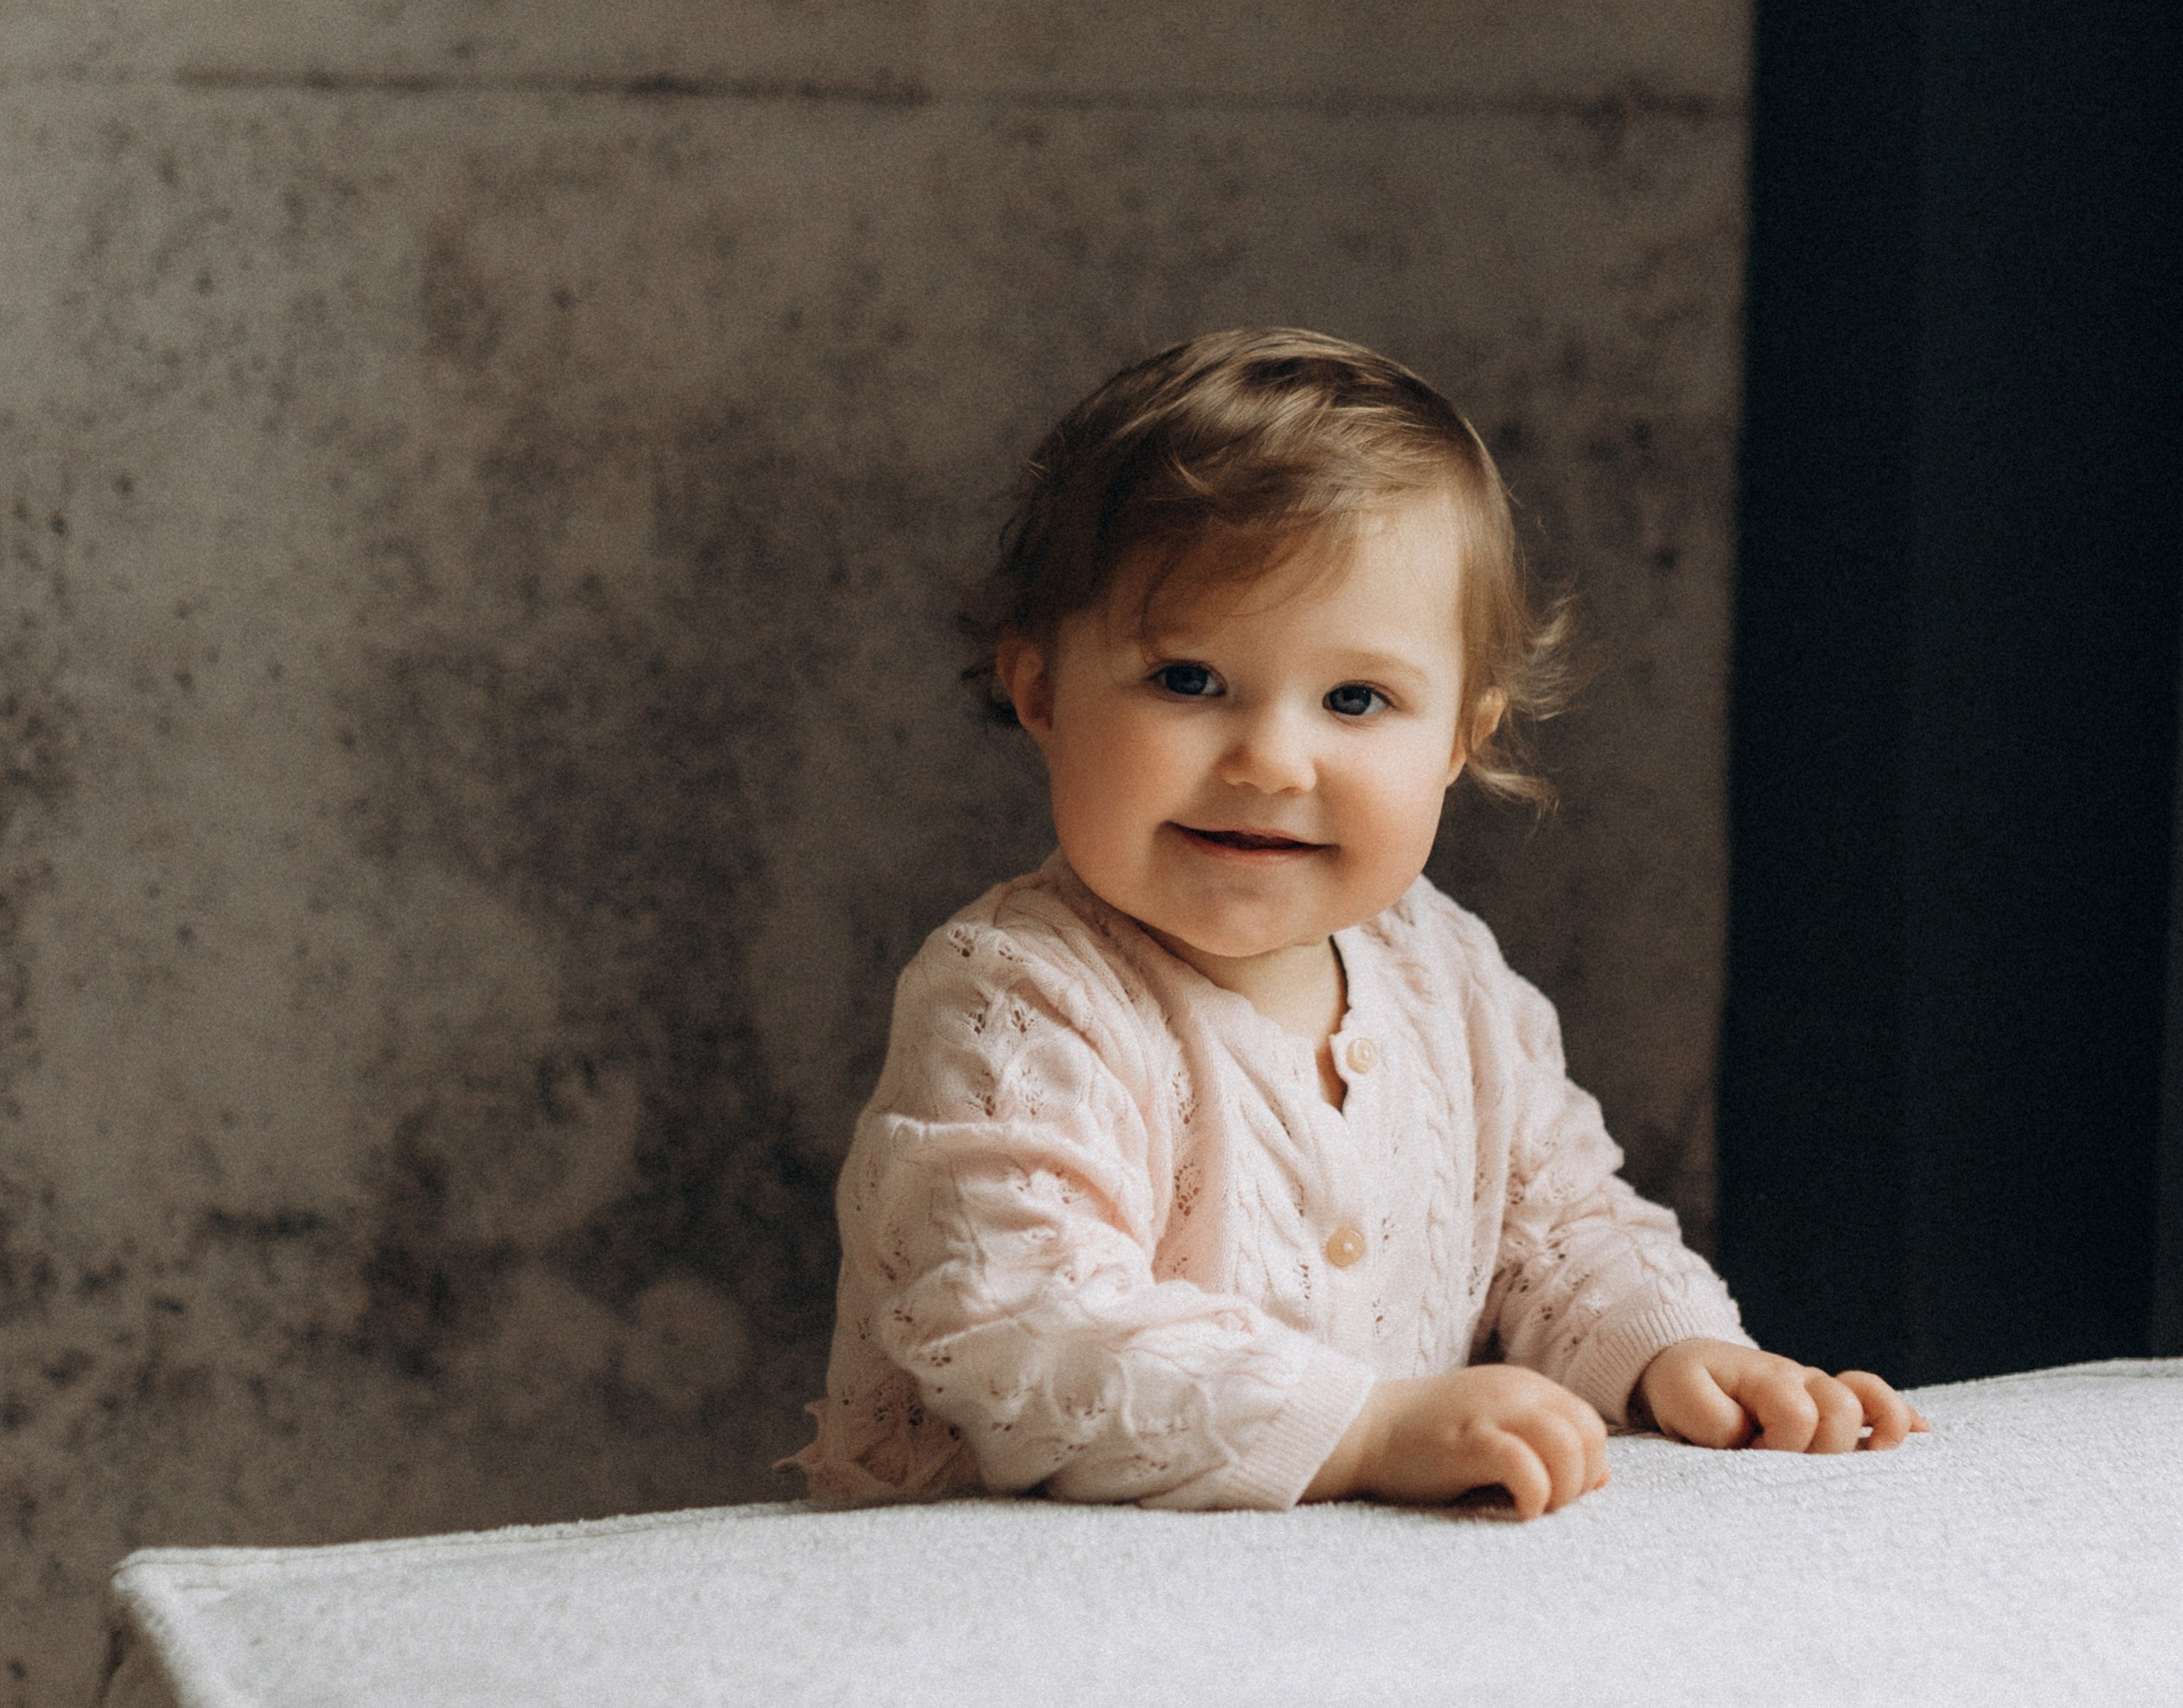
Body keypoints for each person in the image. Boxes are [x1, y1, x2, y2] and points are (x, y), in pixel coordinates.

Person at [785, 328, 1926, 1519]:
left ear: (1460, 738)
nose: (1272, 760)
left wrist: (1673, 1349)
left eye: (1354, 697)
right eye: (1188, 679)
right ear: (1042, 692)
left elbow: (1560, 1228)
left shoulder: (1446, 973)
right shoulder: (1016, 1001)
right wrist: (1362, 1426)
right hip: (1010, 1588)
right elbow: (1027, 1327)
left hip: (1330, 1595)